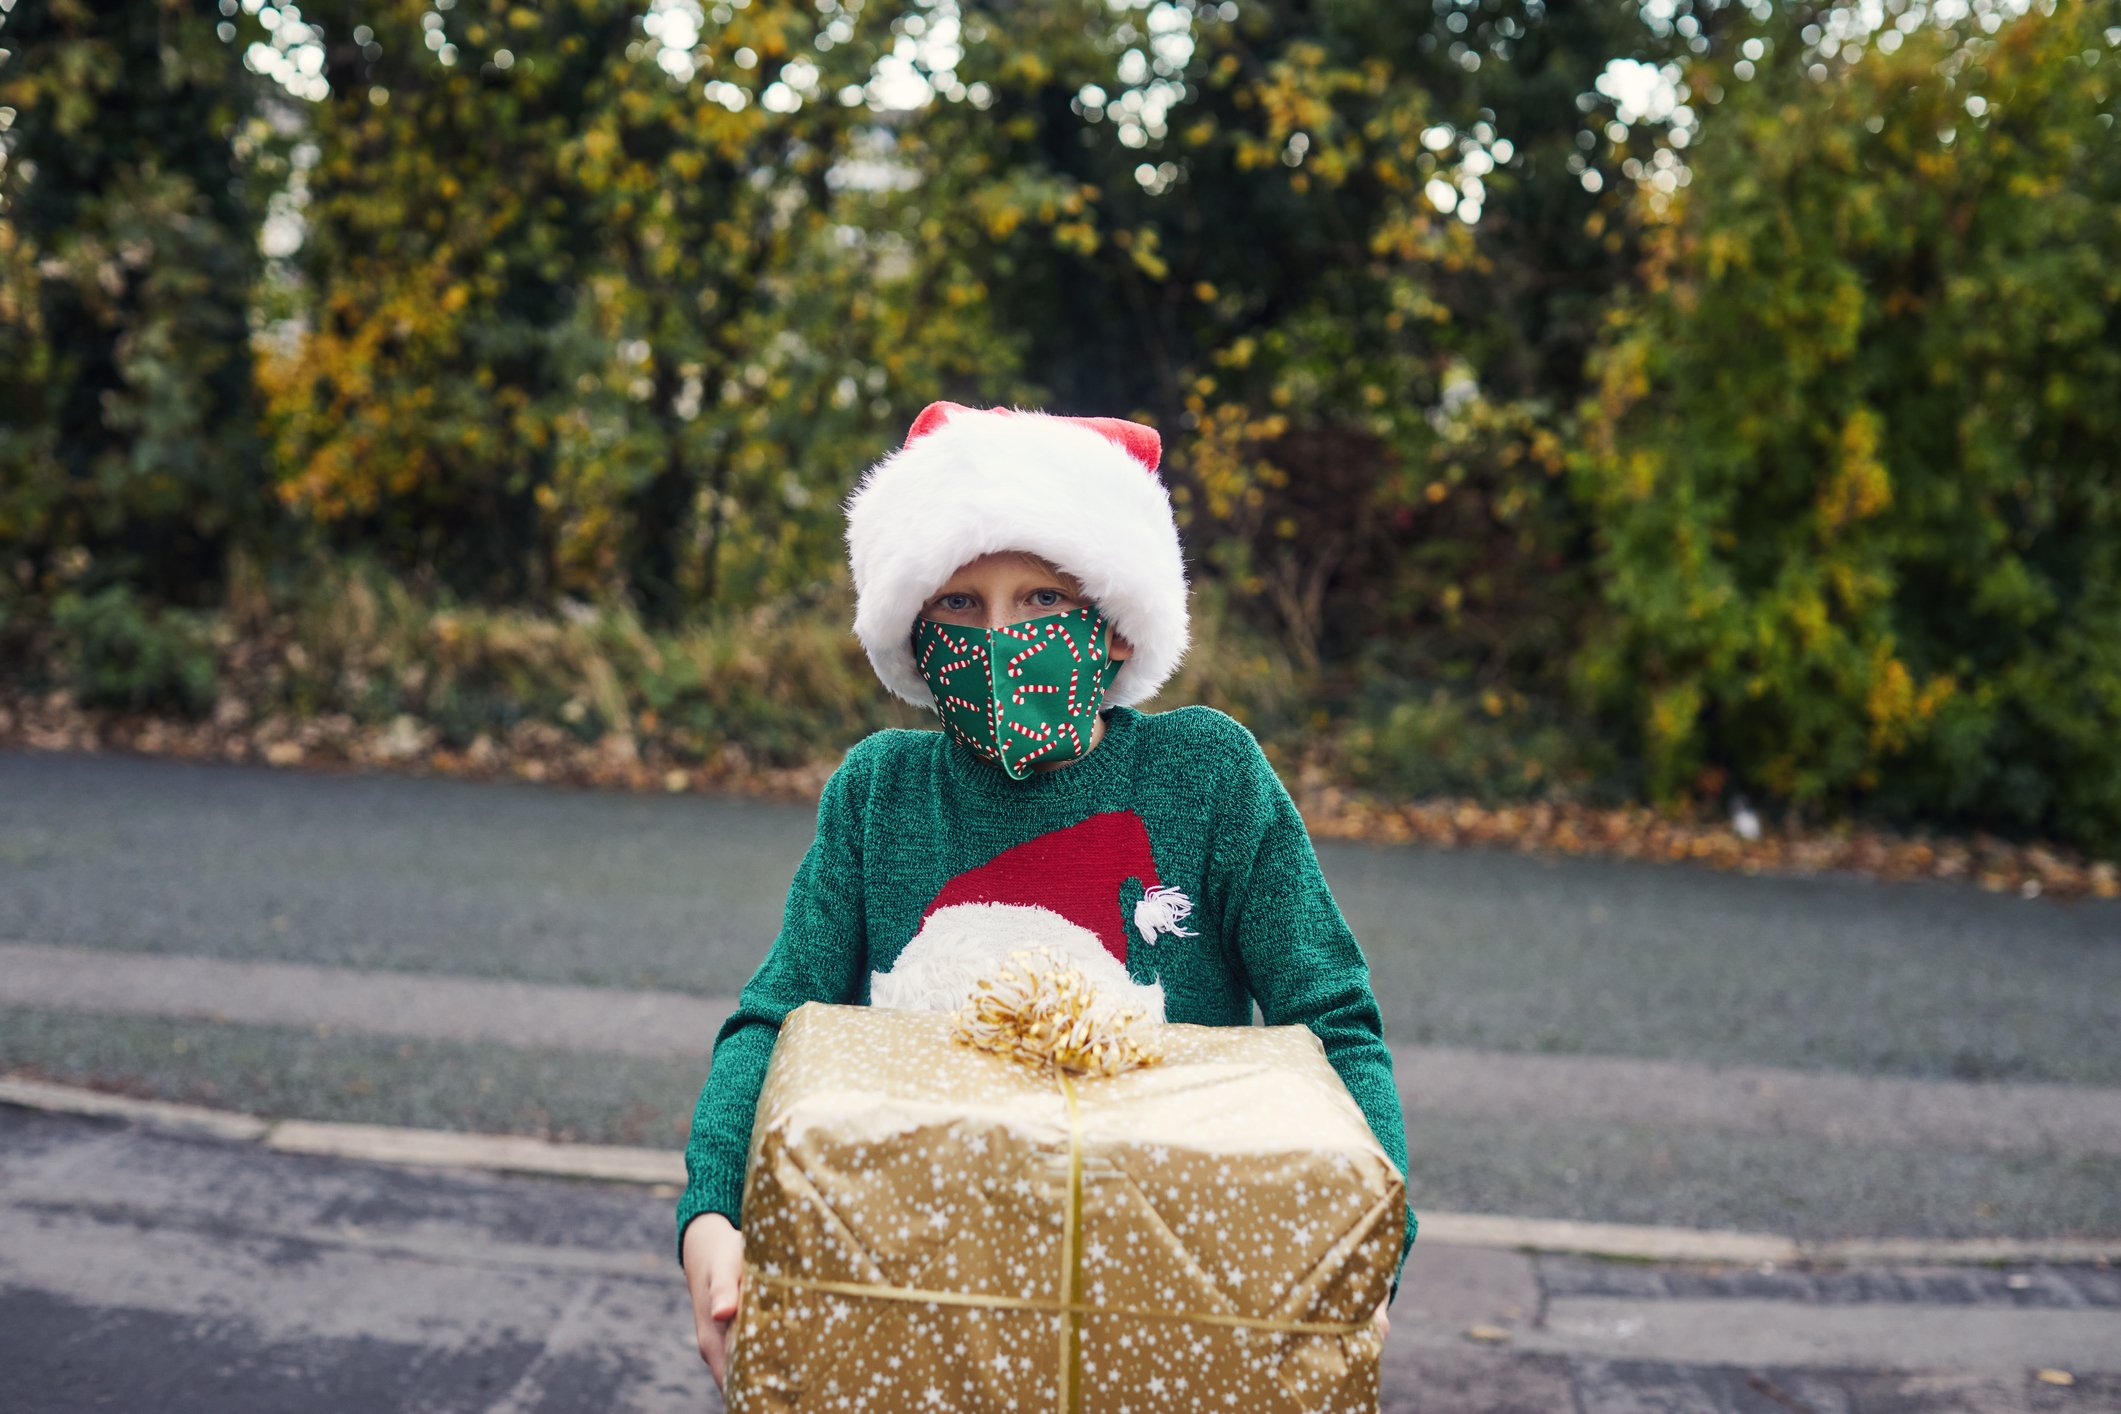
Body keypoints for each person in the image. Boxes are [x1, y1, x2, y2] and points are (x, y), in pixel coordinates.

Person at [677, 400, 1417, 1390]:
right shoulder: (880, 793)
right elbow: (777, 1014)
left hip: (1175, 1315)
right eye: (958, 605)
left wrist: (1369, 1243)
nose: (996, 638)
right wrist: (714, 1214)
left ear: (1113, 623)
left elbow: (1331, 1019)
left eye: (1039, 602)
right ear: (914, 628)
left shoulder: (1208, 777)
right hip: (918, 1307)